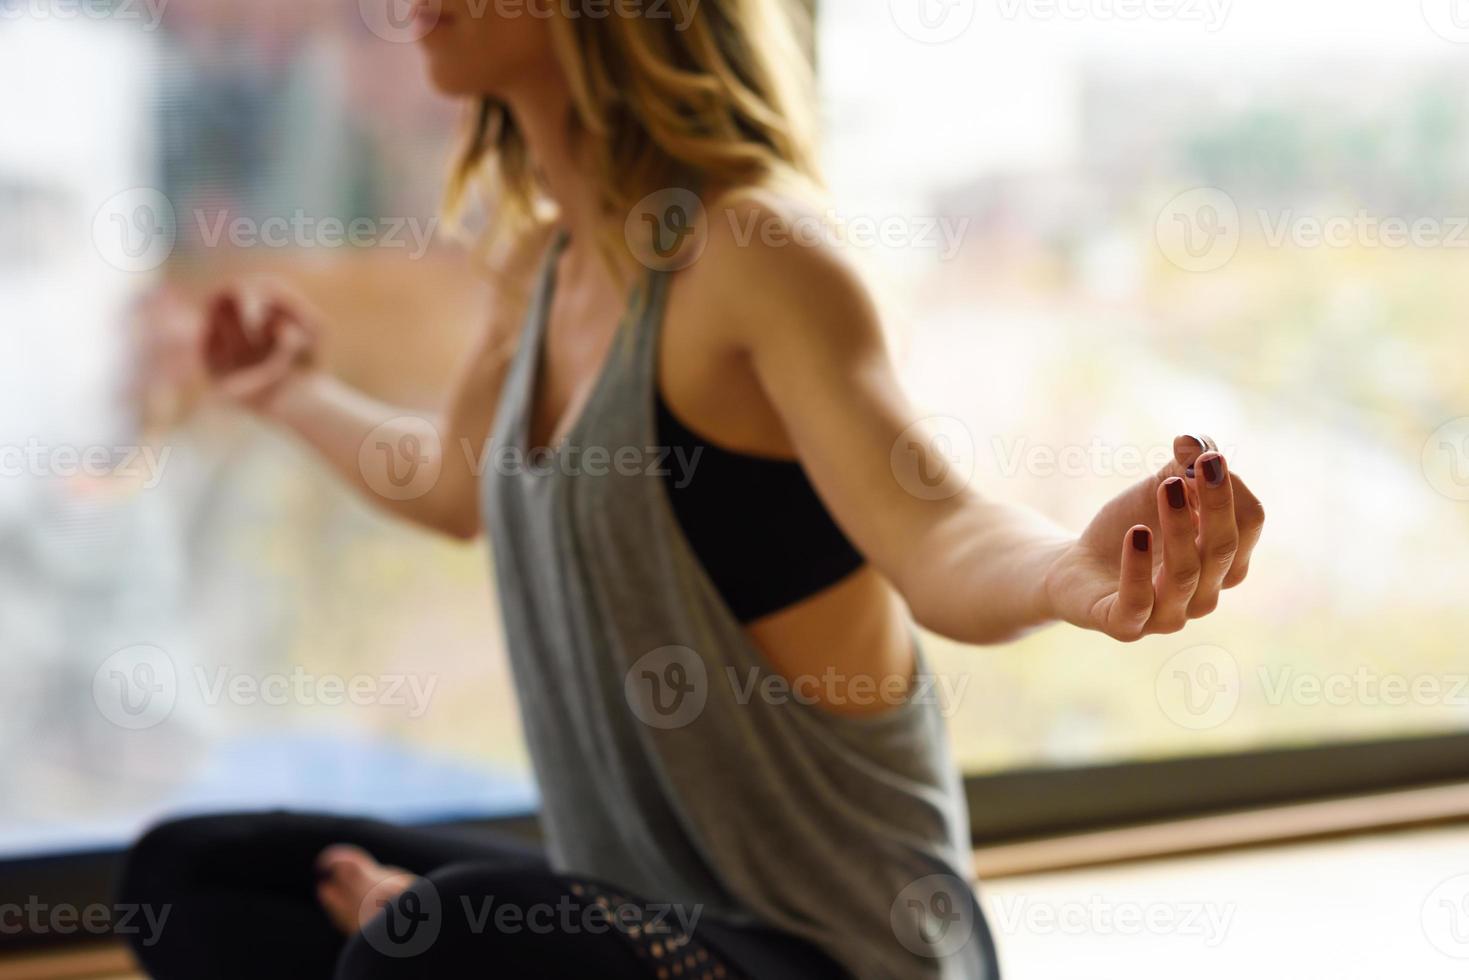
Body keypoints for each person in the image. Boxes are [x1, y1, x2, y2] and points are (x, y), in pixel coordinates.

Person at [116, 1, 1266, 977]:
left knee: (429, 937)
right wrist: (287, 389)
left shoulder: (750, 251)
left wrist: (1073, 568)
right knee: (194, 879)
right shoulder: (542, 264)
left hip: (841, 952)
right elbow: (462, 482)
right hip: (633, 907)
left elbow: (936, 525)